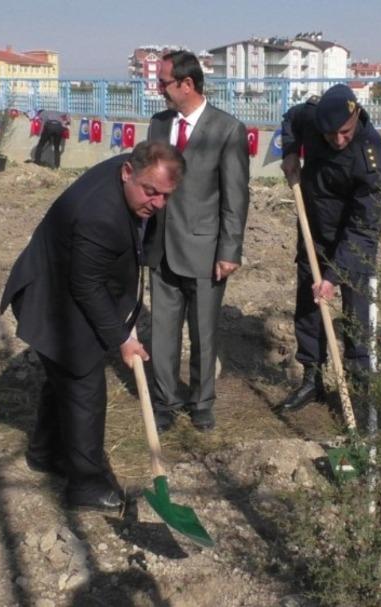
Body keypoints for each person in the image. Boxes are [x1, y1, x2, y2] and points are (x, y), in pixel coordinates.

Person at [0, 141, 185, 511]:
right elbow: (87, 286)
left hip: (68, 284)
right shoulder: (99, 213)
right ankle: (84, 485)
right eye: (152, 193)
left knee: (63, 377)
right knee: (83, 383)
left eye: (166, 196)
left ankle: (44, 452)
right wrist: (121, 337)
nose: (158, 204)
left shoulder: (135, 176)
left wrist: (125, 320)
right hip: (51, 297)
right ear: (128, 172)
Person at [145, 50, 249, 432]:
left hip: (206, 251)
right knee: (163, 329)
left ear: (187, 85)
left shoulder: (227, 130)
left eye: (164, 83)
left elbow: (235, 196)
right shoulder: (158, 125)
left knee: (204, 331)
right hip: (161, 246)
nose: (159, 90)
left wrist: (229, 250)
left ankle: (202, 401)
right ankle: (165, 400)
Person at [278, 84, 381, 414]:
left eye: (344, 132)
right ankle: (311, 380)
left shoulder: (375, 158)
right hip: (314, 234)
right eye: (330, 135)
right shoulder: (313, 118)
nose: (338, 140)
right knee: (309, 311)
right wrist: (290, 152)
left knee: (357, 320)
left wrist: (332, 277)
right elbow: (291, 119)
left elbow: (364, 228)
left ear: (356, 114)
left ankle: (356, 396)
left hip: (355, 247)